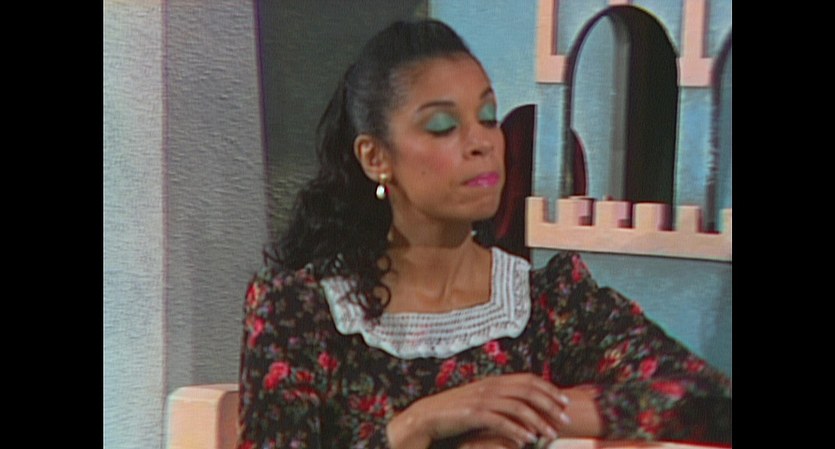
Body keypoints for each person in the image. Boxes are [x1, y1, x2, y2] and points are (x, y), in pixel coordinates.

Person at [237, 19, 731, 449]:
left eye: (489, 118)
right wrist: (417, 425)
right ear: (375, 157)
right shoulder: (301, 309)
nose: (482, 143)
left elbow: (712, 402)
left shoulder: (549, 304)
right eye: (443, 125)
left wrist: (543, 414)